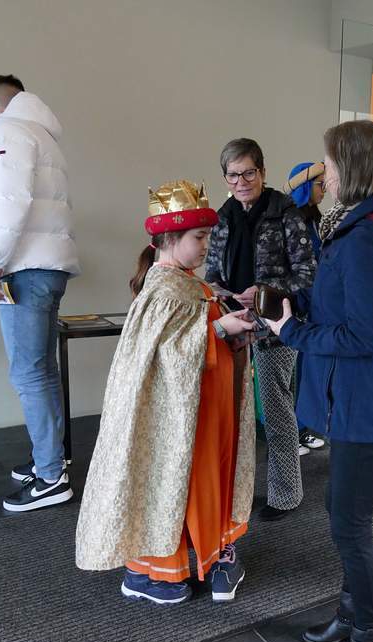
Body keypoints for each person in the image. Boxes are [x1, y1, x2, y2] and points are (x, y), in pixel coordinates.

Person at [264, 120, 373, 642]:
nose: (324, 175)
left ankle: (370, 638)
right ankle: (352, 613)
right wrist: (289, 302)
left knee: (350, 528)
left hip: (363, 401)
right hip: (366, 396)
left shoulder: (363, 239)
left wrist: (292, 331)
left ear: (351, 168)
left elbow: (361, 335)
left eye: (329, 164)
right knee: (343, 511)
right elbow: (347, 304)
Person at [76, 181, 257, 604]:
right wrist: (218, 328)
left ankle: (205, 556)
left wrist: (232, 335)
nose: (206, 246)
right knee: (172, 483)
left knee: (191, 484)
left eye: (208, 237)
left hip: (202, 411)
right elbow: (163, 360)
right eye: (199, 237)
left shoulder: (186, 283)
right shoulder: (162, 289)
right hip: (179, 417)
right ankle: (153, 573)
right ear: (170, 239)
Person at [0, 75, 81, 512]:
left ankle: (51, 477)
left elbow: (9, 198)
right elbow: (24, 202)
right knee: (43, 371)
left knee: (28, 374)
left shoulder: (8, 130)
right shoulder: (43, 134)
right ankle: (50, 458)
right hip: (51, 266)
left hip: (24, 270)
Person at [205, 138, 316, 521]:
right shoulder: (222, 217)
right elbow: (212, 272)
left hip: (276, 327)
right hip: (232, 323)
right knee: (233, 414)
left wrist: (265, 291)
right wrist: (221, 291)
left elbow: (308, 274)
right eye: (233, 175)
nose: (241, 182)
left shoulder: (286, 212)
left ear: (263, 172)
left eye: (248, 173)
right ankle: (238, 492)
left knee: (276, 411)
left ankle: (286, 495)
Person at [285, 161, 328, 456]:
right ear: (305, 187)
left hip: (313, 302)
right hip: (298, 303)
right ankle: (292, 434)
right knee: (291, 374)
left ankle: (302, 428)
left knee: (306, 371)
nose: (324, 190)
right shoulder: (293, 219)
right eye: (319, 185)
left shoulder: (315, 217)